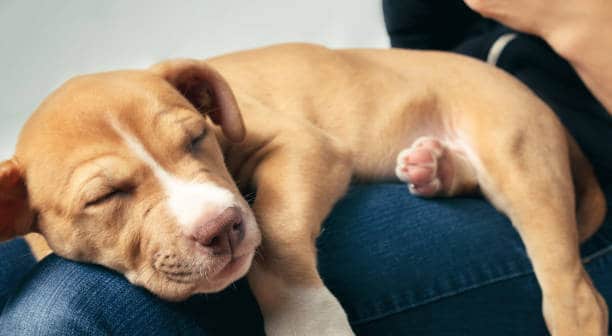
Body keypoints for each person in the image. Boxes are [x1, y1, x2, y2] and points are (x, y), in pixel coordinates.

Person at [1, 1, 611, 334]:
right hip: (425, 107)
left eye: (194, 141)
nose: (209, 213)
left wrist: (290, 292)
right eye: (106, 192)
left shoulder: (215, 114)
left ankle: (577, 307)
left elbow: (309, 147)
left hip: (532, 121)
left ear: (210, 104)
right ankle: (459, 171)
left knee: (62, 314)